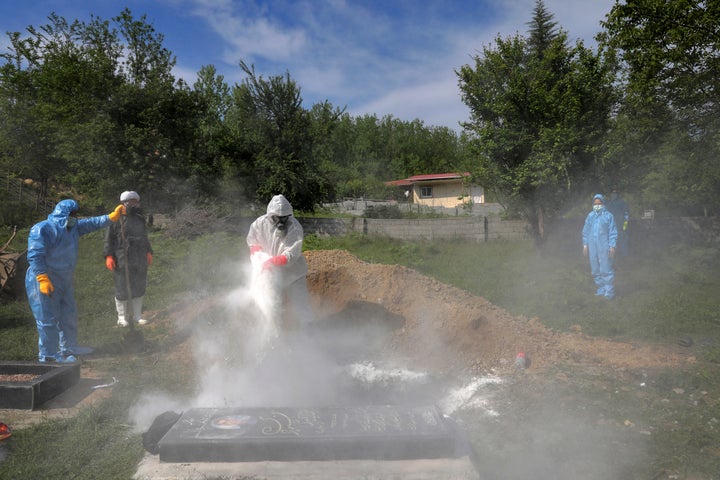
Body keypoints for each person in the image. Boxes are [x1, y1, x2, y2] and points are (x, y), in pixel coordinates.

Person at [25, 199, 125, 363]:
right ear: (63, 213)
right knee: (47, 319)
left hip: (64, 279)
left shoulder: (74, 228)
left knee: (68, 314)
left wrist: (111, 217)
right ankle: (49, 355)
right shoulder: (43, 228)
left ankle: (68, 347)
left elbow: (93, 223)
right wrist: (42, 277)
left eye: (75, 214)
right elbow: (35, 255)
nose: (74, 217)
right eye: (72, 214)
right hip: (44, 279)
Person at [246, 194, 314, 329]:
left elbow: (292, 254)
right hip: (270, 274)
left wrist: (274, 261)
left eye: (284, 217)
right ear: (271, 215)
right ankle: (274, 332)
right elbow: (252, 241)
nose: (281, 221)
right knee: (272, 305)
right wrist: (257, 251)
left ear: (289, 215)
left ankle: (309, 331)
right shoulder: (259, 224)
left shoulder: (294, 227)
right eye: (278, 217)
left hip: (293, 274)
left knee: (301, 304)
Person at [104, 191, 153, 327]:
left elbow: (144, 237)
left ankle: (137, 316)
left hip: (139, 256)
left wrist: (149, 251)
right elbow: (109, 239)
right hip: (121, 257)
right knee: (122, 286)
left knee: (139, 285)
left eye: (135, 201)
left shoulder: (139, 218)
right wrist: (108, 255)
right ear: (123, 203)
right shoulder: (115, 219)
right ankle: (121, 318)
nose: (133, 204)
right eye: (130, 201)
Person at [582, 194, 618, 299]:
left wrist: (612, 245)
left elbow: (613, 232)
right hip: (592, 246)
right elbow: (586, 231)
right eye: (595, 203)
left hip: (604, 245)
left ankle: (609, 291)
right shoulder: (590, 216)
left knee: (606, 267)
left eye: (599, 203)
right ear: (593, 204)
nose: (597, 205)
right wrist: (585, 244)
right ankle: (601, 289)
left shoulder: (608, 216)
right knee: (595, 268)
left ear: (603, 203)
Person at [606, 189, 630, 258]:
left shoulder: (622, 203)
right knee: (611, 246)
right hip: (610, 229)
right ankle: (612, 261)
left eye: (615, 193)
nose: (613, 195)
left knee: (623, 245)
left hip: (621, 229)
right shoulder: (608, 204)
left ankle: (624, 260)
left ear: (618, 194)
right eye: (612, 193)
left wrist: (624, 227)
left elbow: (626, 217)